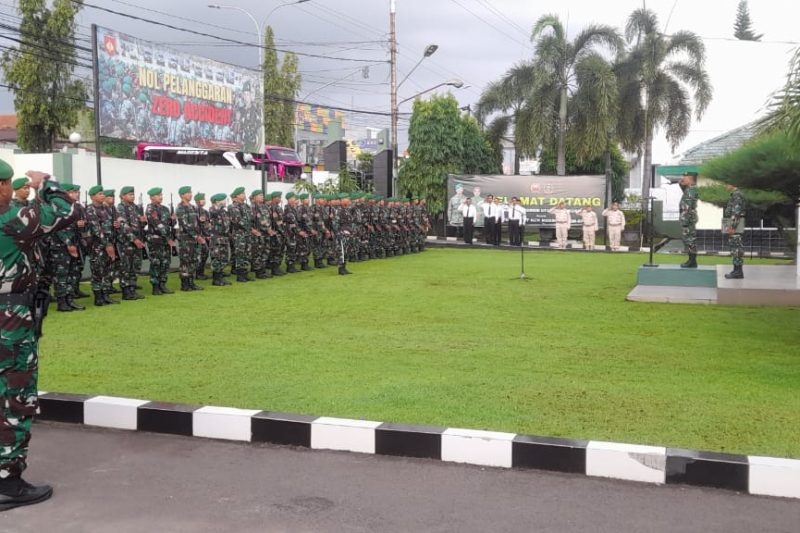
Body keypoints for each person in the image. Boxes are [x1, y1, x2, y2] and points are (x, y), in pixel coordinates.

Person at [0, 164, 79, 510]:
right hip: (9, 319)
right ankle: (8, 482)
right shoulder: (13, 221)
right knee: (16, 396)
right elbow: (69, 209)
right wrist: (45, 184)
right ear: (3, 186)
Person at [85, 186, 119, 306]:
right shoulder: (90, 209)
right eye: (100, 194)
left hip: (110, 243)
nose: (103, 195)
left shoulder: (107, 208)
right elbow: (96, 229)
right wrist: (107, 244)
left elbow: (111, 225)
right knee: (98, 271)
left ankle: (106, 295)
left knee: (107, 270)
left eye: (103, 193)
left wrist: (116, 224)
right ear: (92, 196)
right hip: (97, 246)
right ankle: (98, 297)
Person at [116, 186, 146, 300]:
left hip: (137, 241)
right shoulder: (120, 208)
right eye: (129, 194)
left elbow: (139, 225)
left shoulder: (136, 207)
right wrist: (134, 239)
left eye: (133, 194)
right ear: (122, 196)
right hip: (127, 243)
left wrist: (143, 222)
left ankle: (132, 289)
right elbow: (123, 226)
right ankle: (126, 291)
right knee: (126, 268)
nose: (132, 196)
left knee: (135, 267)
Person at [145, 187, 175, 295]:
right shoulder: (150, 209)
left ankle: (163, 284)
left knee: (165, 262)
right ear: (151, 197)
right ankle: (155, 286)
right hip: (155, 240)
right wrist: (168, 238)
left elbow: (170, 224)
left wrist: (173, 219)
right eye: (158, 195)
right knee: (156, 263)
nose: (160, 197)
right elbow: (158, 225)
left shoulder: (165, 209)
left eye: (161, 195)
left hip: (165, 241)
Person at [175, 186, 205, 291]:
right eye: (188, 193)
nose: (190, 194)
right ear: (182, 195)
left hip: (194, 239)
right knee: (185, 262)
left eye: (190, 192)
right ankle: (185, 284)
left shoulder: (192, 207)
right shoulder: (180, 208)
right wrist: (196, 236)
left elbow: (196, 223)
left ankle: (191, 282)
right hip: (186, 239)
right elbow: (185, 225)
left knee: (194, 260)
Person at [227, 186, 254, 282]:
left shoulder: (246, 206)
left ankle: (245, 273)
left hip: (247, 234)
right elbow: (238, 221)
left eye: (244, 193)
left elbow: (251, 219)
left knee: (247, 254)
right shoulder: (233, 207)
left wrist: (251, 228)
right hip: (239, 234)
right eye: (242, 194)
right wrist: (251, 229)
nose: (244, 195)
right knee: (240, 254)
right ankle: (240, 275)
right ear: (237, 196)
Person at [208, 193, 232, 286]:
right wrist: (217, 206)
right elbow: (213, 213)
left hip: (224, 238)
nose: (225, 201)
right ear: (217, 201)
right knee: (217, 258)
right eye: (223, 200)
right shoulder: (213, 210)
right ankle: (216, 279)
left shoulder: (223, 212)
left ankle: (220, 277)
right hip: (216, 238)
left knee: (224, 258)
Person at [723, 184, 746, 279]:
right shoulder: (735, 194)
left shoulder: (737, 195)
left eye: (726, 183)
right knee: (734, 247)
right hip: (734, 223)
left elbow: (736, 211)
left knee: (736, 248)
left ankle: (738, 271)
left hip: (735, 225)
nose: (725, 186)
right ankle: (736, 270)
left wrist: (732, 226)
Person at [679, 172, 699, 268]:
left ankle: (692, 261)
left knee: (690, 240)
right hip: (687, 218)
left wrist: (685, 221)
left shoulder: (691, 190)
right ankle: (691, 260)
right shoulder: (689, 189)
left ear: (690, 179)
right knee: (688, 240)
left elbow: (688, 207)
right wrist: (681, 184)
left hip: (688, 219)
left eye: (685, 177)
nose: (683, 178)